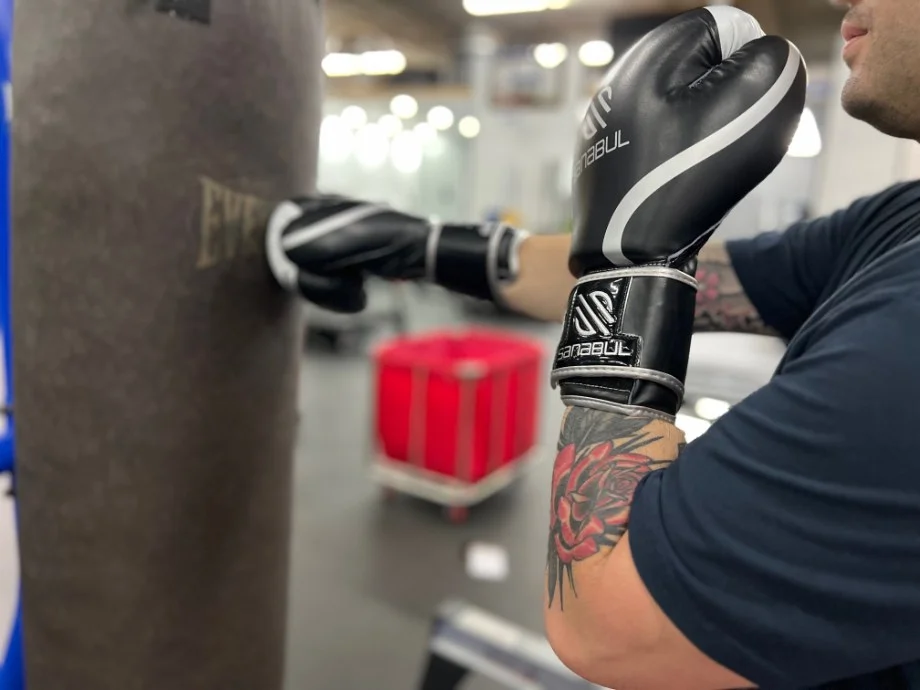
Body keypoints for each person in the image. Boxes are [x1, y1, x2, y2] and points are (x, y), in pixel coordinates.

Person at [269, 0, 920, 687]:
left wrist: (632, 260)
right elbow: (688, 275)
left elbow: (605, 624)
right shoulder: (901, 219)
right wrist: (418, 246)